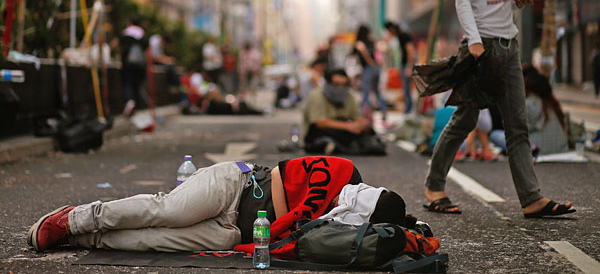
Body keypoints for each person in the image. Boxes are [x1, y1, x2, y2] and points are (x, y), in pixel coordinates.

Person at [424, 0, 574, 218]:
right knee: (465, 120)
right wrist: (475, 43)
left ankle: (532, 199)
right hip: (481, 49)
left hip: (509, 47)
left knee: (517, 125)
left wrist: (514, 1)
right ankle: (434, 186)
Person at [28, 156, 413, 258]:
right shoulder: (343, 172)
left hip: (232, 233)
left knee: (152, 241)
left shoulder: (344, 224)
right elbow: (288, 195)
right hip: (237, 186)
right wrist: (285, 229)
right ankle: (75, 219)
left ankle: (84, 240)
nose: (350, 204)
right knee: (167, 212)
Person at [303, 69, 384, 155]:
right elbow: (320, 123)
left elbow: (357, 117)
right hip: (320, 132)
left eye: (344, 85)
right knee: (330, 132)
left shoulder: (348, 96)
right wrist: (349, 126)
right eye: (336, 84)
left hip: (342, 130)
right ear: (328, 84)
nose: (340, 88)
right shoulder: (316, 96)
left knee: (366, 132)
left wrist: (363, 124)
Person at [523, 67, 569, 155]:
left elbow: (520, 131)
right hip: (561, 149)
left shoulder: (529, 104)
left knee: (497, 135)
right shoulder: (552, 105)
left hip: (537, 150)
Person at [353, 24, 387, 122]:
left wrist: (371, 63)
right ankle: (384, 111)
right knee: (377, 92)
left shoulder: (360, 43)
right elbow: (378, 53)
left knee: (366, 93)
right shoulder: (371, 41)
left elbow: (365, 54)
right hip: (376, 68)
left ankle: (366, 115)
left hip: (369, 68)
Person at [119, 16, 148, 117]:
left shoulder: (126, 31)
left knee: (127, 83)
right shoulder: (142, 33)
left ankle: (129, 101)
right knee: (137, 85)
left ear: (130, 22)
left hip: (128, 63)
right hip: (140, 64)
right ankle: (137, 106)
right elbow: (146, 48)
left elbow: (120, 44)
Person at [384, 22, 416, 113]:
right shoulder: (399, 37)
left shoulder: (404, 36)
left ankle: (409, 109)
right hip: (405, 65)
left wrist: (409, 67)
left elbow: (410, 51)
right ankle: (408, 108)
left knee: (407, 88)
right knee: (406, 88)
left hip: (407, 65)